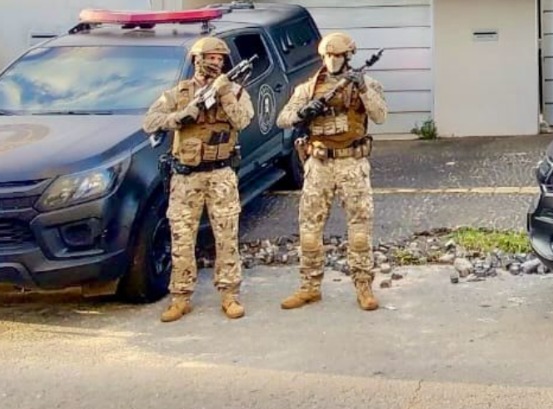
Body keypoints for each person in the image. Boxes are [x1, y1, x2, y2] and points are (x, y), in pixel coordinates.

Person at [142, 37, 254, 323]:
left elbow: (243, 121)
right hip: (186, 176)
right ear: (197, 59)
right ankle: (180, 297)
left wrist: (224, 93)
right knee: (181, 238)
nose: (216, 62)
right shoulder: (178, 93)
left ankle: (229, 294)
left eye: (220, 58)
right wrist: (180, 117)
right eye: (211, 57)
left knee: (226, 236)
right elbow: (150, 122)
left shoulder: (236, 91)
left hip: (221, 173)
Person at [277, 32, 388, 313]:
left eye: (337, 55)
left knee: (360, 231)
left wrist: (362, 89)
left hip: (352, 162)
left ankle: (363, 286)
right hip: (319, 164)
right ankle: (310, 287)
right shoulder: (309, 88)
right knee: (310, 230)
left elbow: (380, 115)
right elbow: (283, 118)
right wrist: (305, 112)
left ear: (348, 56)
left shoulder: (366, 84)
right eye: (327, 55)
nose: (332, 60)